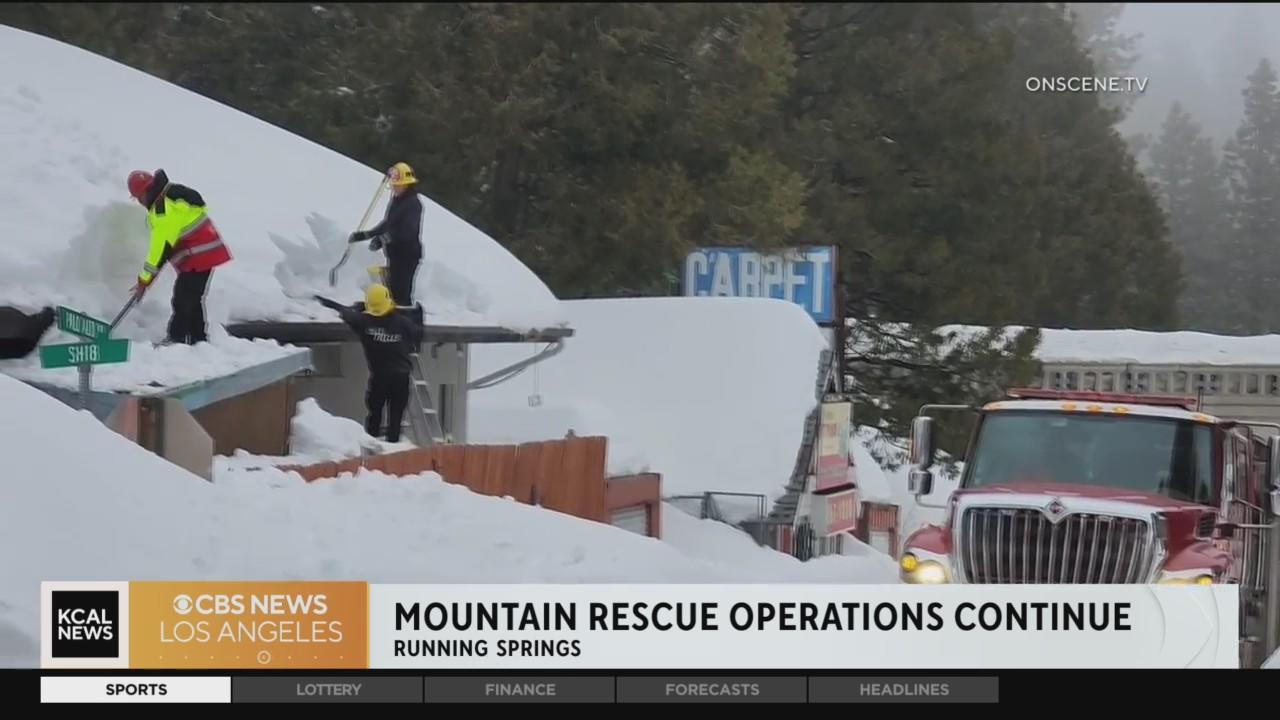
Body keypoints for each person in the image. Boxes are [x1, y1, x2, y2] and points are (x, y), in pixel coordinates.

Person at [127, 168, 232, 345]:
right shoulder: (169, 196)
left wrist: (144, 280)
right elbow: (165, 250)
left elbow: (159, 250)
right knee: (192, 298)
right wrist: (146, 281)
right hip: (205, 254)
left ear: (145, 192)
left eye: (138, 198)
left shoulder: (163, 210)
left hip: (199, 256)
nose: (140, 202)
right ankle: (198, 339)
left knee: (182, 299)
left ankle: (177, 338)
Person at [315, 284, 422, 443]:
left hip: (380, 376)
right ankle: (393, 444)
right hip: (401, 376)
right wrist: (418, 314)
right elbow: (417, 335)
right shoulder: (403, 323)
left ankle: (372, 442)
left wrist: (328, 303)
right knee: (396, 416)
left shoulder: (364, 322)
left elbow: (346, 313)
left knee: (375, 413)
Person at [347, 162, 423, 308]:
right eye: (393, 184)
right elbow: (388, 223)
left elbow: (407, 231)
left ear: (406, 184)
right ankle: (391, 314)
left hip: (407, 255)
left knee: (401, 293)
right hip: (395, 254)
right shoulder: (397, 201)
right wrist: (367, 234)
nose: (394, 187)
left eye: (397, 184)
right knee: (392, 290)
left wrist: (384, 239)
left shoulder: (413, 204)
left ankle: (406, 316)